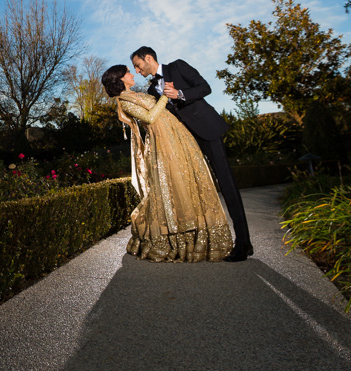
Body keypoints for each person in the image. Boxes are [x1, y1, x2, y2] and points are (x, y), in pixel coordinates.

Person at [129, 47, 253, 262]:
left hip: (207, 130)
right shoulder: (151, 91)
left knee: (227, 185)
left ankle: (243, 243)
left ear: (148, 58)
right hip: (184, 142)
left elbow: (205, 88)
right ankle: (203, 242)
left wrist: (180, 94)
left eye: (138, 66)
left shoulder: (178, 66)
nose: (138, 71)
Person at [101, 64, 233, 263]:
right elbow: (149, 117)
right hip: (163, 143)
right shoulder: (124, 101)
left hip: (175, 135)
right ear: (119, 80)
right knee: (173, 186)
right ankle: (177, 239)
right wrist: (164, 95)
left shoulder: (135, 94)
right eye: (127, 72)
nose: (131, 74)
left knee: (189, 180)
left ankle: (201, 234)